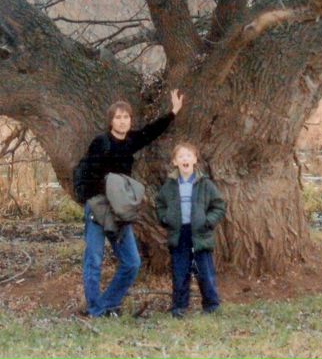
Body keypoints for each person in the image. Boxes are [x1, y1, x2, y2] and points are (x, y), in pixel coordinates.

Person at [74, 89, 184, 318]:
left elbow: (150, 132)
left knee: (132, 262)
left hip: (119, 211)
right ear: (111, 121)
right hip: (98, 207)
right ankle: (96, 310)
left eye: (126, 117)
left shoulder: (131, 141)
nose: (123, 121)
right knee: (93, 259)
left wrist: (173, 112)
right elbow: (84, 171)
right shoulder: (101, 142)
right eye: (118, 117)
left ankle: (108, 304)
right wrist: (92, 197)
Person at [155, 142, 226, 318]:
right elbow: (160, 204)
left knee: (205, 271)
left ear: (195, 159)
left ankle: (211, 305)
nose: (185, 159)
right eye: (180, 156)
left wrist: (208, 222)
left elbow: (219, 206)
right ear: (174, 162)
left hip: (200, 233)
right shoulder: (170, 185)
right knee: (180, 271)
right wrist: (166, 219)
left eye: (188, 155)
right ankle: (179, 307)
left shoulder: (204, 183)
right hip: (179, 234)